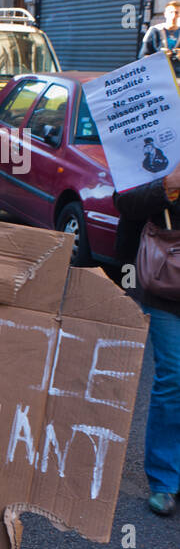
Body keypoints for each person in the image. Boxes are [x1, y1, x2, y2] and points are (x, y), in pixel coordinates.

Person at [113, 163, 180, 516]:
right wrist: (167, 186)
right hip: (168, 283)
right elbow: (123, 202)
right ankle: (165, 481)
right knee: (174, 376)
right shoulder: (157, 135)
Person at [140, 0, 180, 75]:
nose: (174, 16)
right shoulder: (154, 31)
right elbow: (142, 57)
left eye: (177, 12)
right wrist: (159, 56)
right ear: (165, 14)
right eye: (171, 12)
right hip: (158, 76)